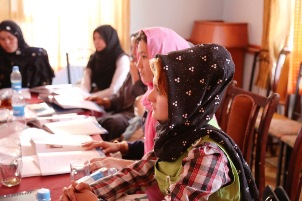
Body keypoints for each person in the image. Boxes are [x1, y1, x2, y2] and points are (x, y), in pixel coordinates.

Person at [61, 44, 259, 201]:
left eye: (161, 91)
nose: (150, 96)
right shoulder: (179, 135)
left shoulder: (207, 156)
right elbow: (138, 172)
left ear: (185, 101)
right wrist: (90, 190)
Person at [86, 32, 146, 141]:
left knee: (111, 123)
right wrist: (104, 101)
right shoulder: (133, 68)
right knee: (95, 120)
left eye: (136, 48)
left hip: (134, 115)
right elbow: (121, 95)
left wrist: (136, 77)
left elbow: (142, 101)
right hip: (121, 111)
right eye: (131, 48)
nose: (132, 52)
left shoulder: (147, 71)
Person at [0, 20, 54, 88]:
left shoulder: (35, 56)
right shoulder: (1, 57)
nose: (7, 42)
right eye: (2, 39)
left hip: (33, 97)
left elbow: (45, 86)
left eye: (10, 38)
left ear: (18, 37)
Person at [81, 25, 129, 98]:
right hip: (95, 99)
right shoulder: (94, 58)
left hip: (114, 102)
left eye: (100, 38)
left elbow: (114, 90)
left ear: (110, 38)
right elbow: (85, 84)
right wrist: (85, 95)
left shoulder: (122, 59)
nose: (96, 42)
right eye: (94, 38)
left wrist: (91, 97)